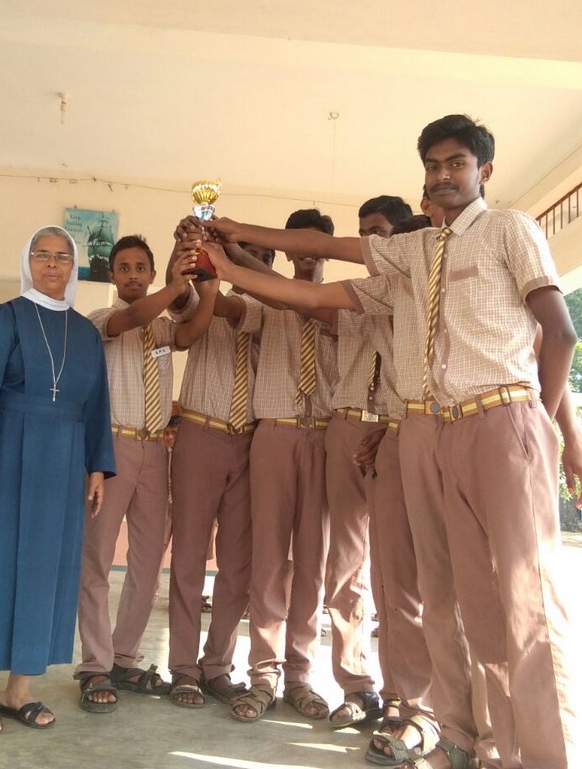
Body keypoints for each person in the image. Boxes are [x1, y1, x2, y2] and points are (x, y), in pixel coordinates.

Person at [184, 113, 582, 768]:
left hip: (502, 417)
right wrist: (231, 237)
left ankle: (548, 756)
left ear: (484, 170)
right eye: (433, 166)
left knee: (527, 602)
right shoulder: (414, 254)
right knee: (458, 599)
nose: (443, 177)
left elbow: (561, 332)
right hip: (430, 428)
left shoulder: (509, 229)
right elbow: (305, 278)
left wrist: (542, 430)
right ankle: (467, 738)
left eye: (457, 164)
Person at [0, 225, 115, 736]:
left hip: (62, 466)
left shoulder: (84, 333)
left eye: (62, 257)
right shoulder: (3, 319)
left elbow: (97, 405)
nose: (52, 265)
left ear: (73, 266)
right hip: (3, 457)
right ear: (28, 262)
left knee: (43, 571)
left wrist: (97, 465)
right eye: (43, 255)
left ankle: (22, 689)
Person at [75, 235, 217, 713]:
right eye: (125, 268)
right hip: (109, 449)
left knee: (148, 561)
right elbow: (132, 318)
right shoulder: (100, 321)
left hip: (157, 449)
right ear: (113, 276)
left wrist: (201, 283)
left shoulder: (163, 329)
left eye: (142, 268)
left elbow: (191, 332)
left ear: (151, 274)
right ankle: (93, 665)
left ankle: (123, 657)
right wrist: (176, 285)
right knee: (95, 560)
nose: (133, 275)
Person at [225, 209, 339, 724]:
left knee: (314, 563)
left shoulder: (347, 301)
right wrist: (218, 250)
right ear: (289, 249)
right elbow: (231, 310)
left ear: (329, 247)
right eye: (300, 243)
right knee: (268, 558)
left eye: (319, 243)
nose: (308, 252)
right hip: (274, 433)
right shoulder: (263, 301)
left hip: (326, 437)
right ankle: (264, 675)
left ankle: (301, 675)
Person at [323, 195, 414, 730]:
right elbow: (304, 300)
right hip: (347, 425)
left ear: (402, 237)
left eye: (378, 233)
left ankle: (405, 691)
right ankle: (356, 685)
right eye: (363, 234)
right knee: (347, 565)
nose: (369, 244)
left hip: (400, 429)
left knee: (400, 572)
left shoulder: (420, 290)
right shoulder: (356, 292)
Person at [165, 233, 266, 709]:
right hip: (200, 434)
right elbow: (184, 302)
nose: (254, 264)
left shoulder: (272, 310)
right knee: (187, 556)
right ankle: (184, 668)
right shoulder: (202, 294)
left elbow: (232, 308)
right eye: (244, 254)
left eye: (263, 258)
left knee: (238, 564)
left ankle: (218, 666)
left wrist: (221, 279)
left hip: (251, 442)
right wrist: (189, 253)